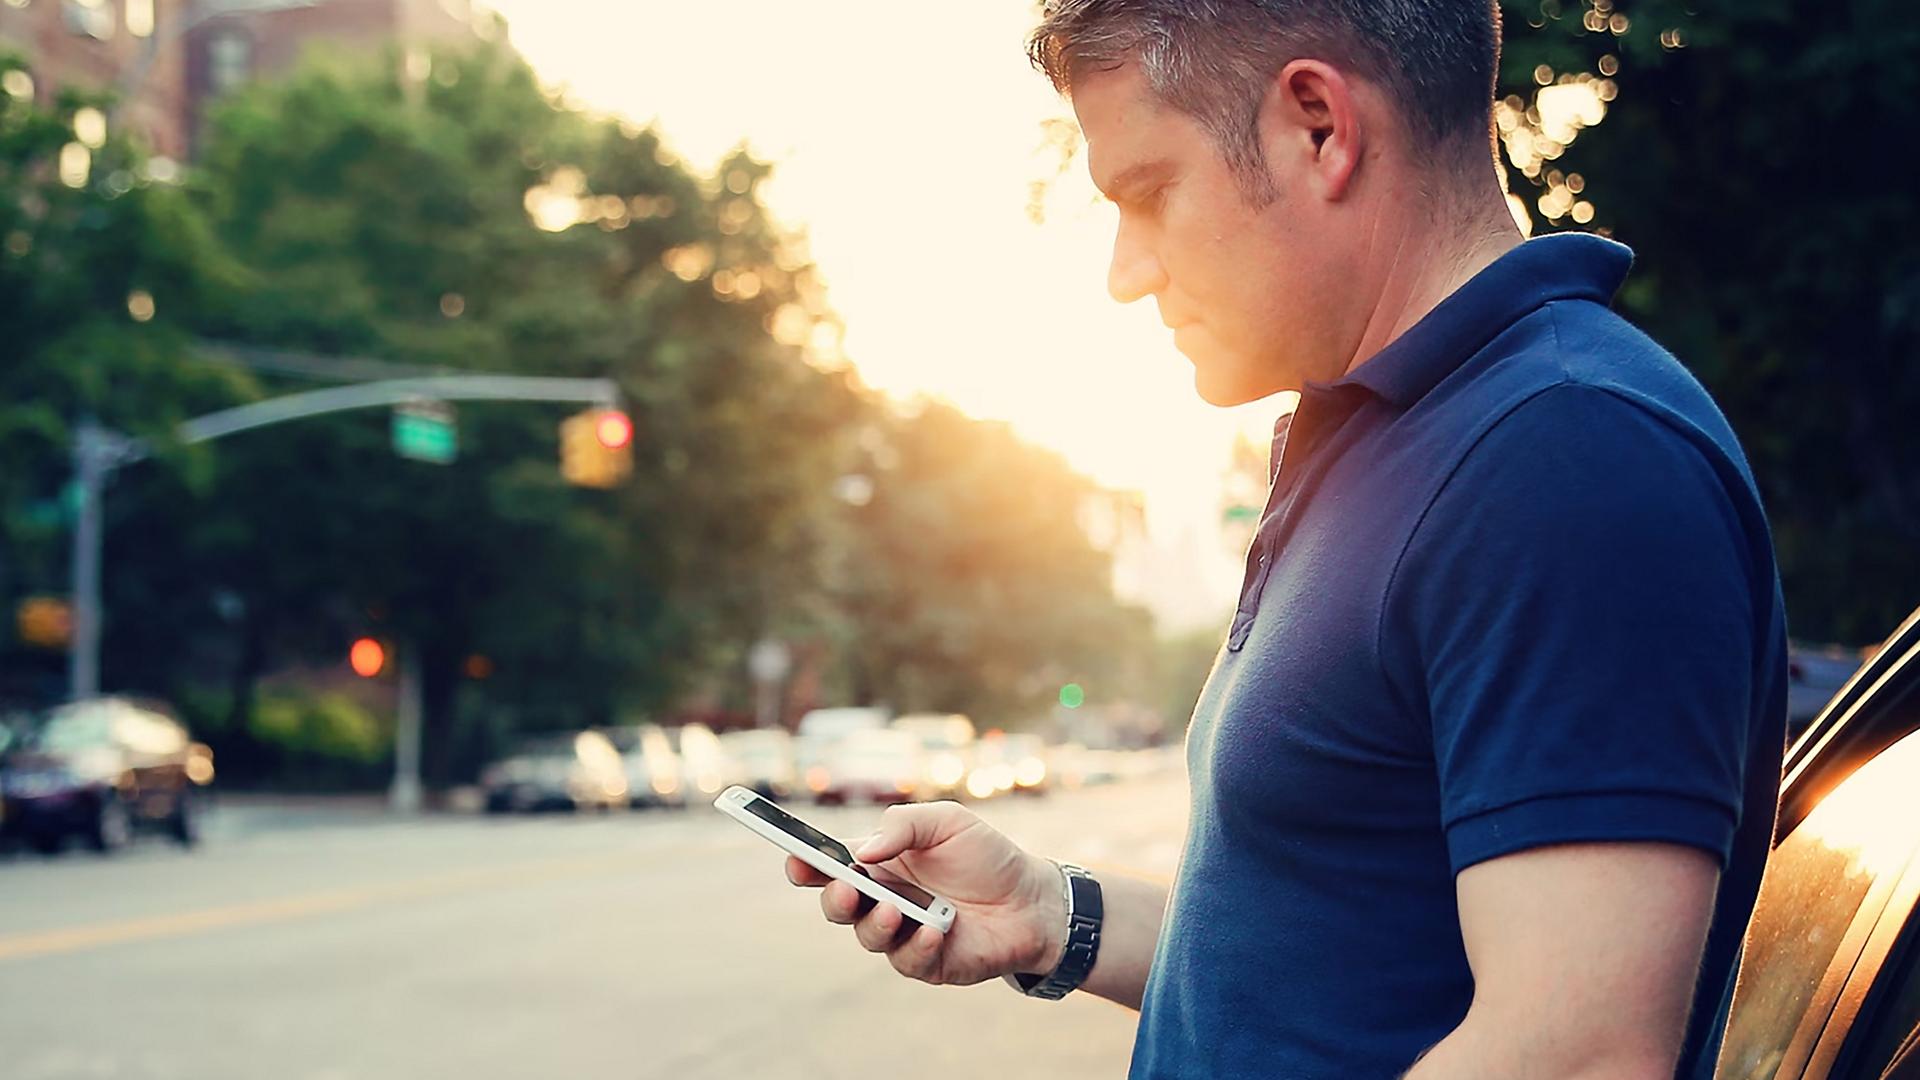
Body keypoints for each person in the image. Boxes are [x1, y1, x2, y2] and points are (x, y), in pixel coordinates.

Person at [783, 2, 1788, 1077]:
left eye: (1150, 194)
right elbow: (1332, 972)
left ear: (1318, 125)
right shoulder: (1399, 436)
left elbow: (1574, 1055)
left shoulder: (1568, 454)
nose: (1126, 272)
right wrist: (1053, 913)